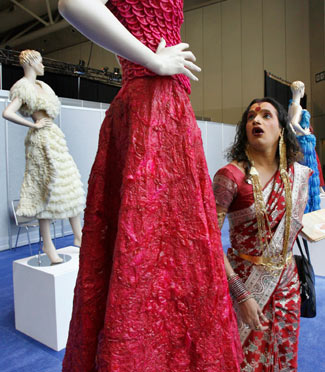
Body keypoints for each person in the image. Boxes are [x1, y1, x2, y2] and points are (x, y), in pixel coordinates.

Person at [58, 0, 242, 371]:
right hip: (149, 109)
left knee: (177, 250)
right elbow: (72, 3)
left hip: (171, 111)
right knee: (139, 245)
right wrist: (153, 61)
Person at [213, 97, 311, 371]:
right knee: (245, 361)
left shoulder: (296, 175)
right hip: (246, 287)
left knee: (284, 356)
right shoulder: (230, 176)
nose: (256, 120)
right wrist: (240, 293)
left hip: (288, 286)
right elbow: (206, 239)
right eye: (251, 116)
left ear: (281, 129)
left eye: (266, 115)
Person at [2, 50, 85, 264]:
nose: (44, 66)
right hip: (41, 141)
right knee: (45, 190)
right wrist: (33, 124)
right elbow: (8, 112)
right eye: (41, 62)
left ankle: (78, 235)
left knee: (70, 184)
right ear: (30, 63)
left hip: (54, 138)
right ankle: (48, 245)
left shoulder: (43, 87)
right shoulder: (24, 88)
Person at [288, 80, 321, 212]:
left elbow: (289, 125)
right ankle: (309, 209)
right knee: (309, 175)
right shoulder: (297, 107)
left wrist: (295, 135)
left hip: (299, 143)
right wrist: (303, 132)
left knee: (302, 175)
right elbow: (293, 123)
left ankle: (304, 208)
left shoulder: (291, 106)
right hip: (304, 145)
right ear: (301, 90)